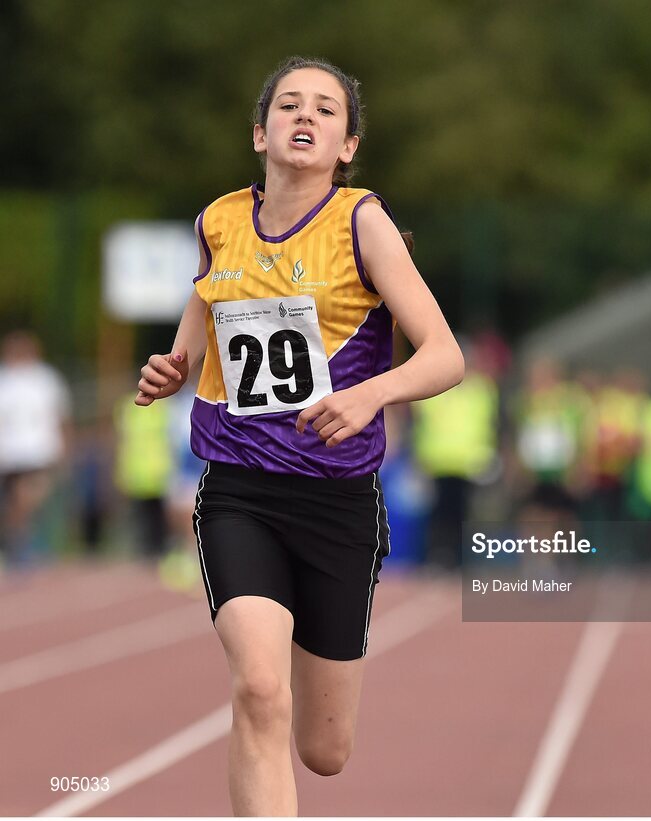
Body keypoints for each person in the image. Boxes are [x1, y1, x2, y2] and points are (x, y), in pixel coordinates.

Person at [135, 56, 464, 816]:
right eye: (289, 105)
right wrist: (171, 369)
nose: (305, 117)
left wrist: (369, 394)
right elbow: (199, 327)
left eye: (325, 109)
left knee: (324, 749)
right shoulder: (217, 221)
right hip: (238, 491)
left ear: (347, 144)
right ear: (261, 131)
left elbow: (446, 355)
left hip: (337, 500)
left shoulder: (362, 221)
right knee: (258, 689)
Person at [0, 330, 71, 566]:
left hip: (39, 450)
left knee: (27, 499)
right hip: (11, 453)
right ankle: (21, 544)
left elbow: (60, 415)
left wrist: (64, 444)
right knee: (19, 501)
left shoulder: (45, 379)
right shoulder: (6, 380)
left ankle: (24, 542)